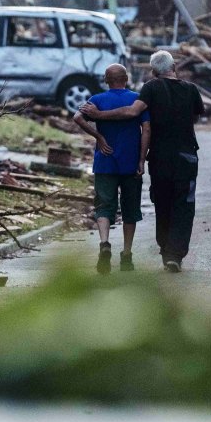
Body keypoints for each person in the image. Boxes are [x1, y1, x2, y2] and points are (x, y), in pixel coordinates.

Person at [80, 50, 204, 273]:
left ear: (154, 71)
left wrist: (99, 117)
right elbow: (195, 115)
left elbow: (131, 112)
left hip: (160, 158)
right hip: (186, 158)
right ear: (174, 66)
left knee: (163, 204)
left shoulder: (151, 88)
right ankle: (175, 254)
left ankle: (166, 252)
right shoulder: (191, 89)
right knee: (184, 206)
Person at [74, 64, 150, 274]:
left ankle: (105, 243)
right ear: (126, 78)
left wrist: (98, 137)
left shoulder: (97, 100)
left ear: (106, 80)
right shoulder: (138, 99)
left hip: (105, 161)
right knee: (130, 209)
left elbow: (77, 118)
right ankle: (126, 255)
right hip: (131, 162)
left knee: (104, 205)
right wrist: (142, 160)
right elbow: (147, 130)